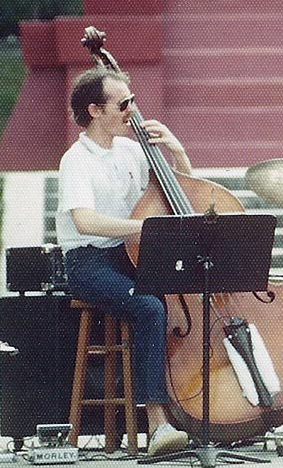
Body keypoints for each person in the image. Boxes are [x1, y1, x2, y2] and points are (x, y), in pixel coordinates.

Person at [56, 61, 192, 456]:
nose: (131, 110)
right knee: (150, 307)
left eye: (131, 101)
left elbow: (184, 190)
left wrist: (175, 148)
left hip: (130, 256)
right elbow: (84, 222)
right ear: (95, 111)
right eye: (123, 104)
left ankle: (197, 411)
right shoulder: (76, 160)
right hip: (89, 263)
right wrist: (143, 228)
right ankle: (158, 423)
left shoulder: (133, 150)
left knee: (189, 290)